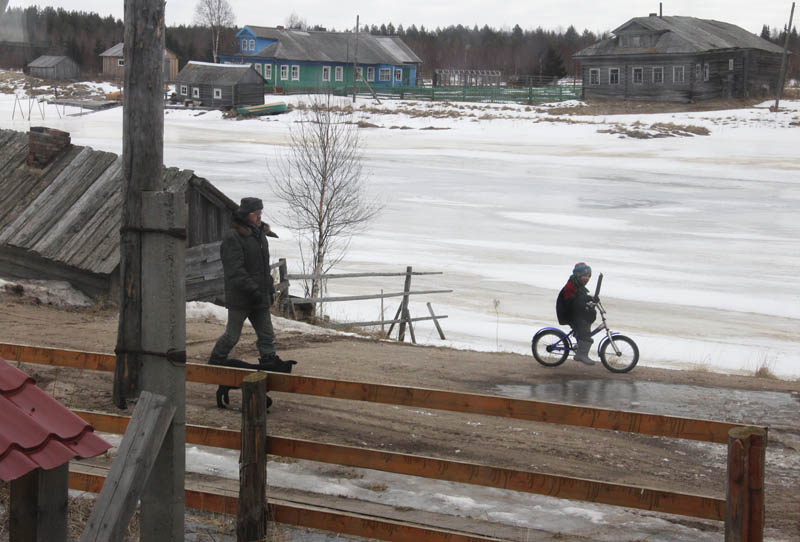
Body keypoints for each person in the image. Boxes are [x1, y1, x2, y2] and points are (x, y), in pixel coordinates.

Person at [209, 197, 296, 407]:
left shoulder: (260, 235)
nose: (259, 216)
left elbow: (264, 267)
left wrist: (267, 288)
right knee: (232, 335)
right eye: (255, 213)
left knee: (267, 334)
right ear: (245, 214)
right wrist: (253, 289)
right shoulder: (233, 237)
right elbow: (235, 270)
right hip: (241, 297)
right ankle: (215, 362)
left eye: (260, 212)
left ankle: (268, 361)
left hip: (259, 297)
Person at [556, 262, 598, 365]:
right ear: (578, 275)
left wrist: (591, 299)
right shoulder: (570, 286)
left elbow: (581, 297)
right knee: (585, 332)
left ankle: (579, 344)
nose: (587, 278)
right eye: (584, 276)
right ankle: (581, 355)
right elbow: (572, 302)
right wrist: (585, 305)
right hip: (568, 313)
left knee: (588, 319)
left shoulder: (579, 285)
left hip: (573, 312)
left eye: (589, 276)